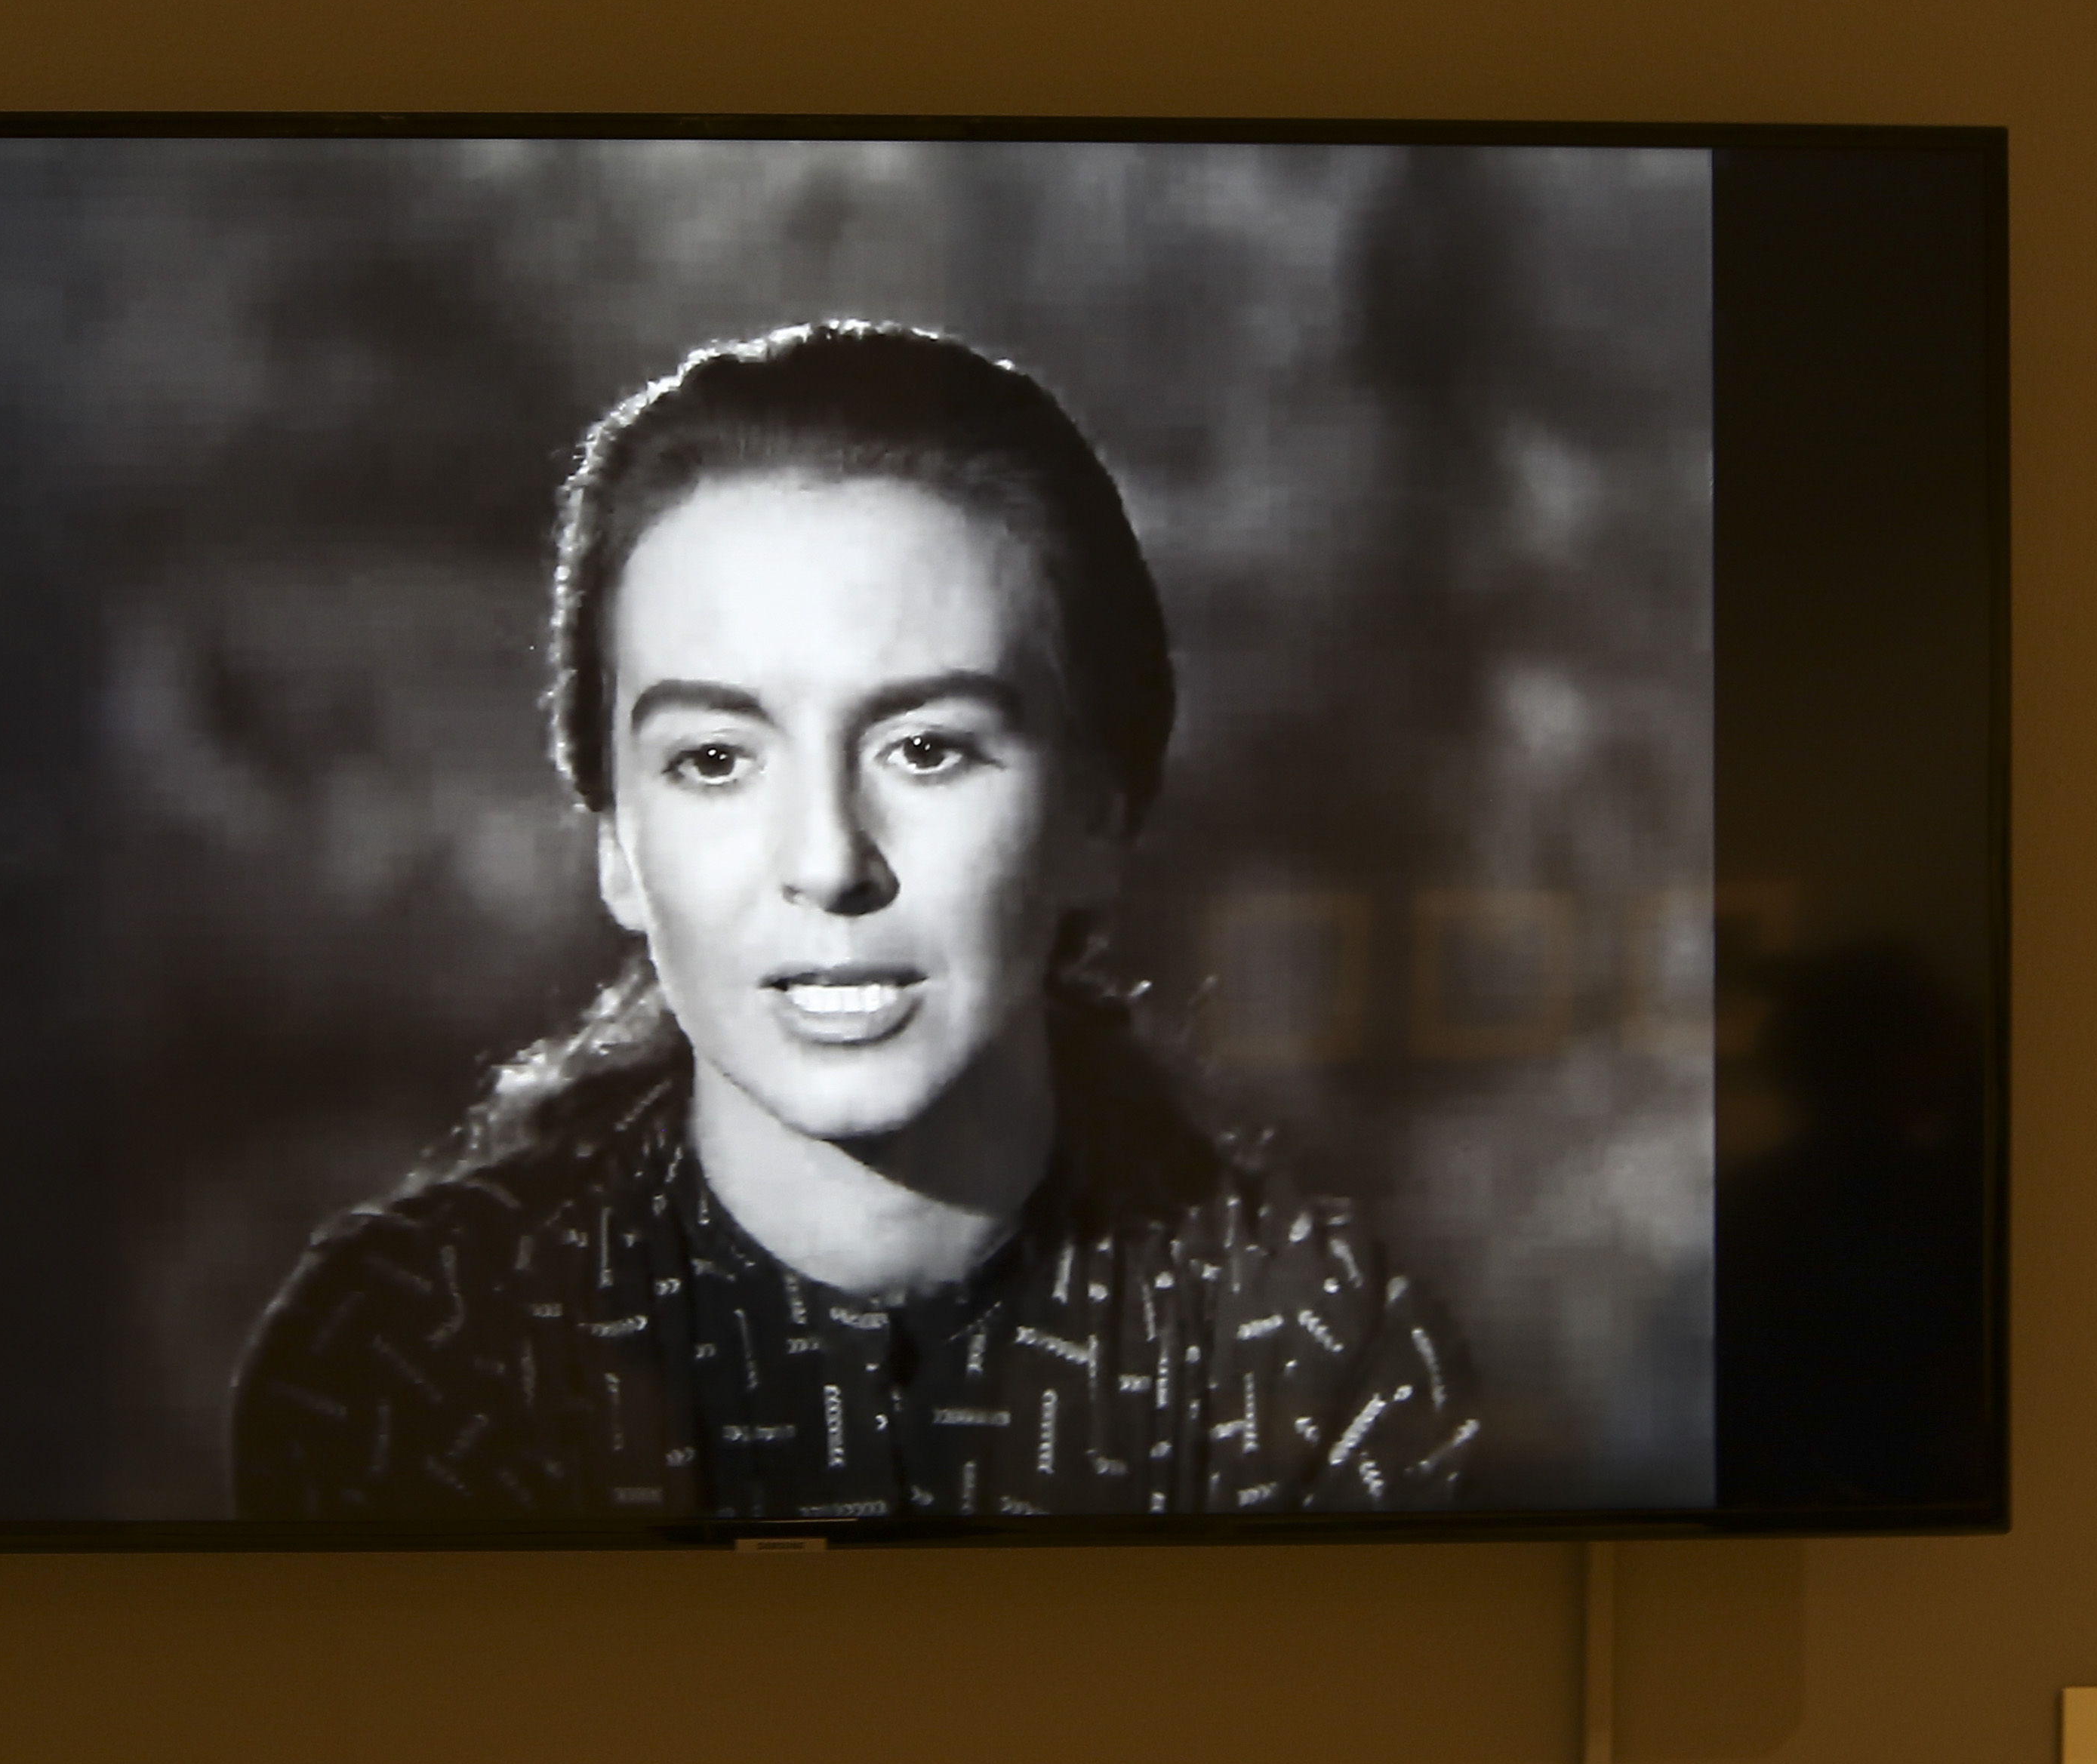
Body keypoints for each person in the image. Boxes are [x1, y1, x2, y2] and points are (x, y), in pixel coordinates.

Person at [230, 322, 1482, 1522]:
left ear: (1095, 814)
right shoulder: (411, 1352)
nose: (828, 862)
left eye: (927, 749)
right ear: (615, 841)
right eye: (716, 759)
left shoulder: (1303, 1353)